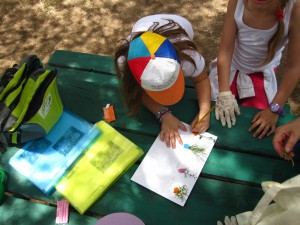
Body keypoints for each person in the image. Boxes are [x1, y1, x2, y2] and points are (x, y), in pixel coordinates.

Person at [114, 14, 211, 149]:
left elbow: (201, 79)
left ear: (179, 65)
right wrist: (163, 114)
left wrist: (205, 111)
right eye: (156, 90)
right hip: (141, 24)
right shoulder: (125, 62)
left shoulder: (189, 57)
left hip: (179, 23)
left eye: (172, 83)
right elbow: (135, 90)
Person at [209, 0, 300, 139]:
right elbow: (225, 51)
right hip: (232, 67)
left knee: (255, 126)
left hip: (261, 75)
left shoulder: (295, 10)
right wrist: (224, 92)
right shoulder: (237, 2)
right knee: (212, 111)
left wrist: (275, 108)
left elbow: (294, 67)